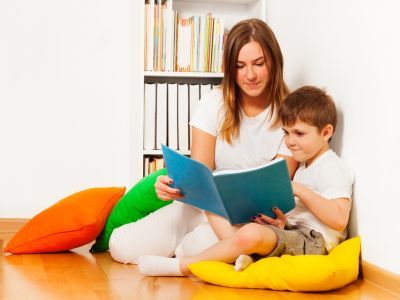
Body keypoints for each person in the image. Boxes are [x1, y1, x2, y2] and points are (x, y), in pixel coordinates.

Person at [108, 18, 298, 264]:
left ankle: (195, 253)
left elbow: (278, 185)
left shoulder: (292, 114)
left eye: (259, 64)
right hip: (203, 208)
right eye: (240, 66)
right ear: (230, 69)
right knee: (120, 246)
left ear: (274, 62)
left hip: (248, 220)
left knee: (192, 249)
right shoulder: (213, 103)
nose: (250, 75)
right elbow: (200, 174)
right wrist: (171, 186)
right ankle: (210, 251)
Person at [137, 85, 354, 277]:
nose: (290, 142)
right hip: (294, 233)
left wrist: (298, 189)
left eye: (299, 133)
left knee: (249, 233)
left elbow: (339, 218)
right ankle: (246, 254)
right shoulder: (306, 164)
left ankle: (182, 267)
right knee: (215, 208)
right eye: (286, 133)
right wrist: (282, 223)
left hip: (314, 242)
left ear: (326, 132)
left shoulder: (331, 167)